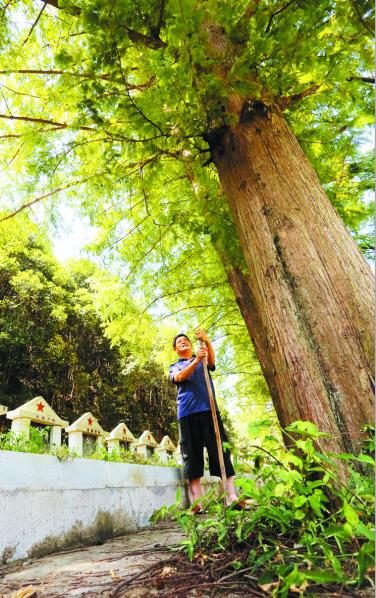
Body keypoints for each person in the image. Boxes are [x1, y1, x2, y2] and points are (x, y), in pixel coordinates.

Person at [169, 329, 239, 512]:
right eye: (179, 342)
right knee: (192, 456)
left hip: (210, 411)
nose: (183, 342)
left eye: (186, 340)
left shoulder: (202, 357)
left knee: (220, 452)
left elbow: (212, 362)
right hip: (187, 414)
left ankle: (231, 496)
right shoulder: (175, 366)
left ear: (191, 345)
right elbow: (179, 377)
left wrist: (206, 341)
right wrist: (196, 361)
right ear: (176, 350)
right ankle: (196, 503)